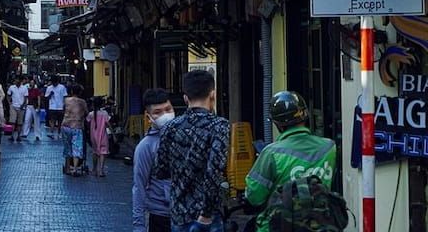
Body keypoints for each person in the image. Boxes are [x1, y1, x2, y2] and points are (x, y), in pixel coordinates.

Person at [245, 91, 337, 232]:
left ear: (277, 123)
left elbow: (255, 197)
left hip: (280, 226)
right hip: (321, 224)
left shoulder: (271, 153)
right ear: (305, 115)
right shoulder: (330, 147)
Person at [156, 70, 229, 232]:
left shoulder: (170, 128)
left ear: (185, 98)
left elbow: (160, 170)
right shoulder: (219, 126)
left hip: (179, 213)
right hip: (208, 216)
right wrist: (206, 214)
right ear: (213, 94)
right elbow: (214, 172)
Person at [132, 88, 175, 232]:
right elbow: (139, 187)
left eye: (168, 109)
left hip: (187, 216)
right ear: (148, 116)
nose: (165, 115)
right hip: (161, 216)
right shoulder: (145, 147)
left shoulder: (186, 137)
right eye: (158, 112)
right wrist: (139, 226)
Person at [61, 83, 88, 176]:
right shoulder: (82, 102)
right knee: (77, 147)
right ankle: (75, 169)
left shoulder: (66, 100)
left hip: (66, 125)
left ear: (71, 91)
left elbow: (63, 110)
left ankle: (68, 168)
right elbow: (86, 113)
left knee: (67, 147)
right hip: (77, 126)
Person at [86, 96, 110, 177]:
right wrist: (113, 134)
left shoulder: (91, 114)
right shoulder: (105, 113)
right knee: (103, 152)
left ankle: (94, 169)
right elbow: (108, 124)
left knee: (95, 152)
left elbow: (87, 121)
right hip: (103, 136)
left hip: (93, 136)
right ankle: (101, 171)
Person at [44, 74, 68, 139]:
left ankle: (59, 133)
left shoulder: (62, 87)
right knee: (52, 120)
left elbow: (65, 96)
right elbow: (46, 98)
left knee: (60, 121)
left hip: (60, 106)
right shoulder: (49, 88)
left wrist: (64, 105)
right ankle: (52, 132)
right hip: (52, 106)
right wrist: (50, 94)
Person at [7, 75, 29, 142]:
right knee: (12, 122)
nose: (17, 81)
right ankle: (12, 136)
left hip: (21, 107)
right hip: (13, 106)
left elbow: (25, 98)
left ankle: (19, 136)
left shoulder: (24, 88)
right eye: (16, 79)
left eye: (19, 80)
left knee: (20, 123)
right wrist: (9, 103)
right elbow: (8, 95)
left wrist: (23, 105)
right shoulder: (11, 87)